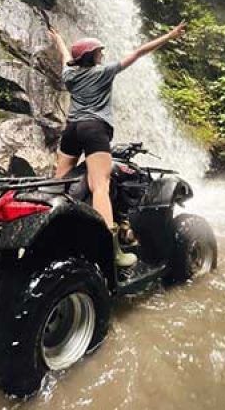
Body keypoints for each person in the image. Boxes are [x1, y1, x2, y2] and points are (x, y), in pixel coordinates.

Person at [48, 21, 186, 266]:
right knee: (99, 185)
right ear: (91, 57)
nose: (103, 54)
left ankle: (54, 230)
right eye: (99, 51)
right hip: (94, 128)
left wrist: (58, 39)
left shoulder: (69, 75)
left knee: (61, 181)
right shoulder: (104, 72)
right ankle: (110, 249)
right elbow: (139, 52)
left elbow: (65, 57)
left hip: (72, 130)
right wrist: (170, 35)